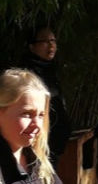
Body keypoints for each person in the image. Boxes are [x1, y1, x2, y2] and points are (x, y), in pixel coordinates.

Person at [18, 25, 73, 163]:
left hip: (55, 143)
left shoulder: (54, 69)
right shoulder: (27, 74)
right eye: (45, 41)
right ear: (32, 47)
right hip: (38, 142)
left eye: (53, 41)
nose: (51, 45)